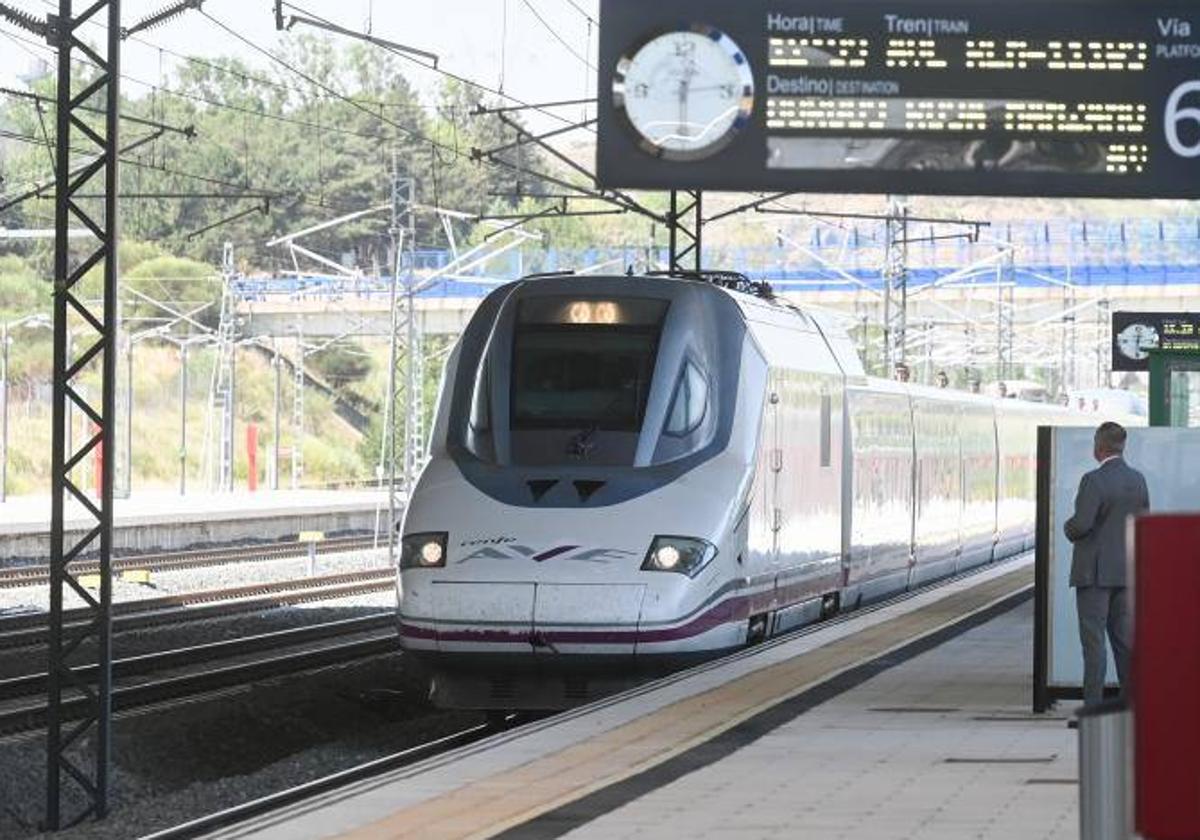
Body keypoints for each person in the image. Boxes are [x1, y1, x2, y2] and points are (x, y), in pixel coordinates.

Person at [1063, 421, 1150, 711]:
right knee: (1124, 642)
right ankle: (1133, 703)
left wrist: (1068, 527)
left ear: (1098, 448)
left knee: (1093, 642)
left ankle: (1093, 707)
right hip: (1126, 572)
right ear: (1121, 447)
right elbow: (1143, 523)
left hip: (1094, 576)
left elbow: (1081, 525)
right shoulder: (1138, 480)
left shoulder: (1093, 480)